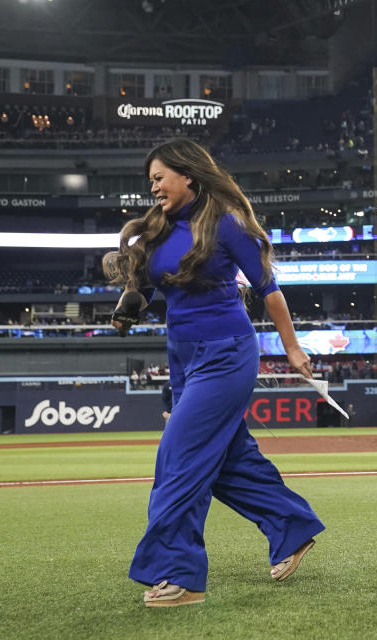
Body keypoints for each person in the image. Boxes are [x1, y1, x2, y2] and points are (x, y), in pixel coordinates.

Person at [105, 138, 325, 607]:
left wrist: (291, 347)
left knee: (178, 459)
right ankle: (293, 527)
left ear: (187, 175)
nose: (154, 188)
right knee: (226, 461)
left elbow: (269, 290)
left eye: (159, 178)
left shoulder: (227, 225)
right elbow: (143, 286)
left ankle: (181, 575)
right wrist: (128, 306)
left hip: (227, 354)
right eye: (151, 181)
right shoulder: (159, 230)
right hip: (182, 357)